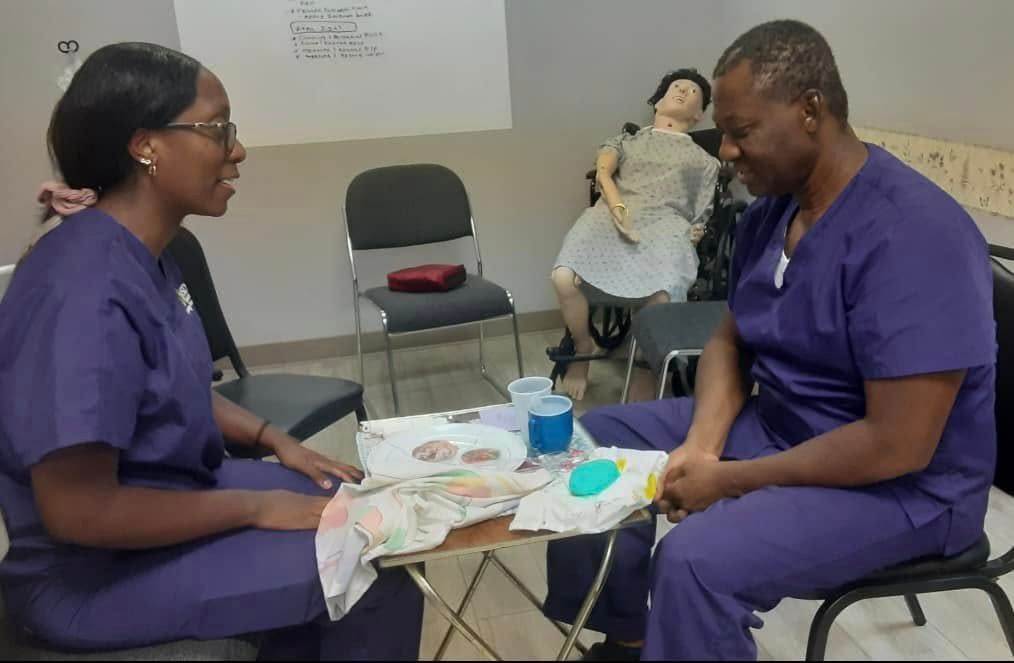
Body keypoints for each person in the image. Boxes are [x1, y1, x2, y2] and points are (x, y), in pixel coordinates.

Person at [543, 20, 996, 661]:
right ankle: (631, 639)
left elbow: (899, 443)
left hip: (905, 488)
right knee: (590, 444)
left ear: (810, 110)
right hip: (786, 427)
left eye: (741, 131)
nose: (724, 150)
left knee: (697, 562)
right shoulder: (772, 212)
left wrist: (729, 479)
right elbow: (731, 339)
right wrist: (702, 446)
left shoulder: (915, 237)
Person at [0, 42, 422, 660]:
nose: (237, 149)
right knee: (373, 572)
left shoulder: (141, 253)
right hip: (93, 574)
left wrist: (276, 439)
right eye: (217, 128)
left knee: (360, 511)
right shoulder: (83, 292)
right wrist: (254, 505)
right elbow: (78, 514)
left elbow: (167, 384)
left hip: (172, 495)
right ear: (146, 145)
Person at [552, 69, 720, 401]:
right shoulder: (627, 141)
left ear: (699, 114)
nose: (684, 92)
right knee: (562, 277)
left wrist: (696, 231)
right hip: (611, 215)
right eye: (677, 87)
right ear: (658, 100)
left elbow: (702, 211)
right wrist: (616, 207)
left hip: (667, 222)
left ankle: (643, 364)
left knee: (662, 292)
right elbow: (604, 171)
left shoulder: (705, 162)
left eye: (693, 93)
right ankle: (583, 345)